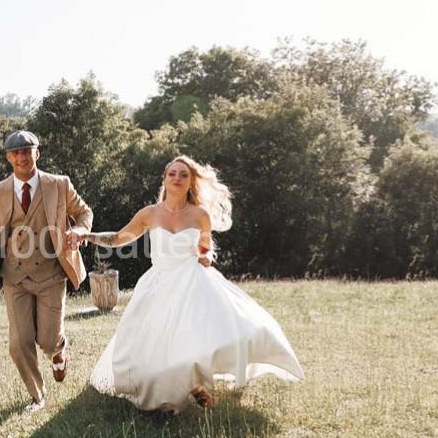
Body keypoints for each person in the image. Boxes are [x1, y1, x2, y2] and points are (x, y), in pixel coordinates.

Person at [85, 155, 303, 413]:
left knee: (212, 331)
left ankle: (193, 384)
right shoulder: (149, 214)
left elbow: (206, 249)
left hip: (192, 280)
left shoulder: (200, 215)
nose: (177, 178)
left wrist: (206, 256)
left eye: (183, 174)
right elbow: (118, 238)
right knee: (152, 344)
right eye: (172, 173)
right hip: (159, 283)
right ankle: (181, 388)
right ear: (164, 179)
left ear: (191, 182)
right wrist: (87, 236)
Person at [0, 131, 94, 411]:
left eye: (27, 151)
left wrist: (79, 230)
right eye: (15, 153)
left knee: (48, 341)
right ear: (8, 158)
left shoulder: (59, 184)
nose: (21, 157)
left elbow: (84, 213)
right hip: (14, 276)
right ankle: (38, 397)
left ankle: (59, 350)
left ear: (37, 153)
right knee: (19, 342)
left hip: (52, 274)